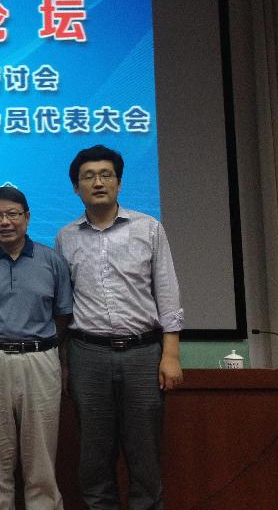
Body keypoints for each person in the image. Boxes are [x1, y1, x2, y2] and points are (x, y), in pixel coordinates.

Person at [55, 145, 184, 510]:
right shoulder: (66, 237)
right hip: (87, 354)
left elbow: (167, 293)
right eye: (88, 177)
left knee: (145, 455)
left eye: (105, 175)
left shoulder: (148, 228)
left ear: (119, 182)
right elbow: (62, 307)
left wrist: (171, 354)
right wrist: (64, 363)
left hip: (143, 354)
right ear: (76, 187)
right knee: (94, 458)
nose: (98, 182)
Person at [0, 186, 72, 510]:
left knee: (41, 458)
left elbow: (63, 316)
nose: (5, 222)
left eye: (12, 214)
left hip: (40, 359)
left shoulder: (52, 261)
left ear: (27, 217)